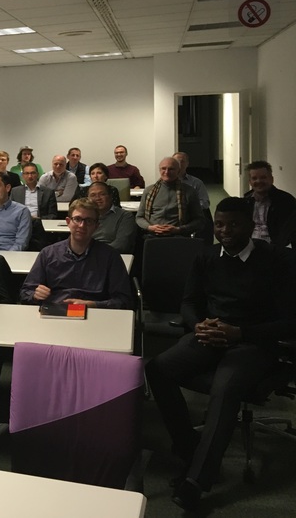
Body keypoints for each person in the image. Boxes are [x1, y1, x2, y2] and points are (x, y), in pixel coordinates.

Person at [146, 197, 296, 512]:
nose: (225, 231)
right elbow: (189, 302)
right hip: (210, 335)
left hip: (253, 342)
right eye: (219, 224)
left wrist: (240, 333)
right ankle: (189, 447)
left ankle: (198, 479)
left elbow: (289, 322)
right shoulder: (207, 256)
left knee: (224, 388)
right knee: (157, 369)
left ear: (251, 226)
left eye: (233, 224)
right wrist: (197, 325)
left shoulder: (276, 260)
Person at [21, 198, 132, 309]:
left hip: (94, 313)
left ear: (96, 226)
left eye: (89, 221)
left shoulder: (110, 256)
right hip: (56, 311)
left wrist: (93, 305)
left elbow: (124, 300)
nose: (82, 225)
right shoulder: (48, 254)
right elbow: (25, 292)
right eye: (77, 219)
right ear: (68, 222)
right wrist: (35, 295)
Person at [136, 157, 203, 237]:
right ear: (159, 170)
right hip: (152, 236)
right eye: (163, 168)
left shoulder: (189, 191)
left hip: (179, 236)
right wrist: (150, 227)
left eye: (171, 169)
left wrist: (179, 229)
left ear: (178, 171)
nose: (166, 172)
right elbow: (139, 217)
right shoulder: (149, 191)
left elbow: (199, 220)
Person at [244, 160, 296, 246]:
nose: (259, 181)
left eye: (263, 177)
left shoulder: (286, 201)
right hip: (250, 246)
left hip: (275, 248)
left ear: (271, 179)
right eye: (254, 178)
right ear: (250, 182)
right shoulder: (246, 201)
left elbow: (290, 231)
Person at [88, 181, 137, 254]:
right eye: (93, 195)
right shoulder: (85, 216)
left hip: (112, 256)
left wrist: (95, 252)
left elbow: (121, 245)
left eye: (102, 194)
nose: (98, 198)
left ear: (110, 197)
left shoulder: (125, 216)